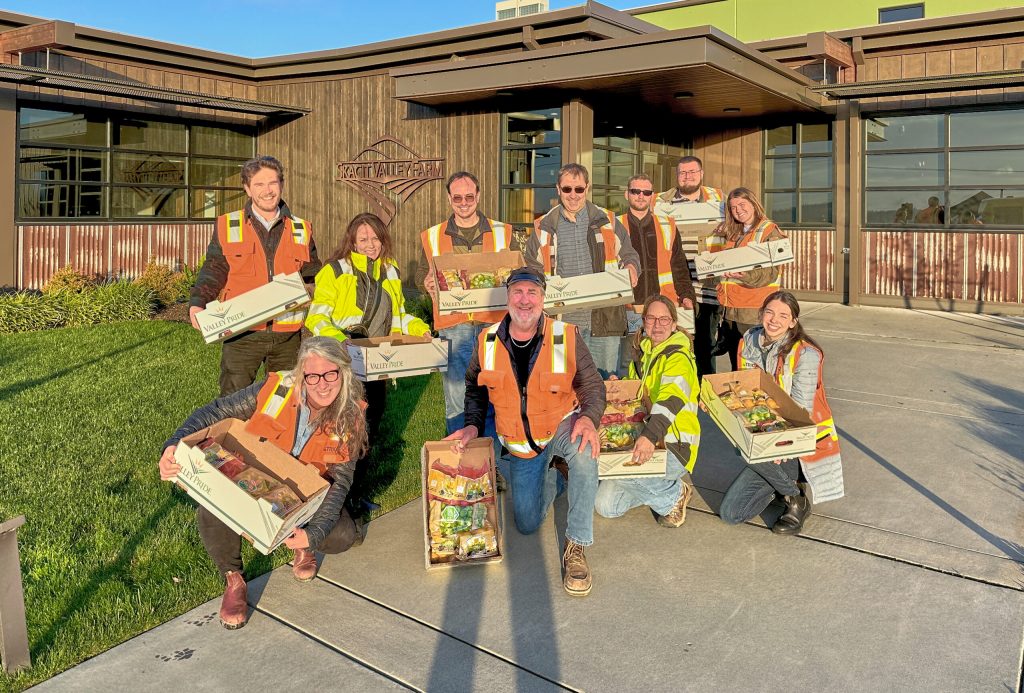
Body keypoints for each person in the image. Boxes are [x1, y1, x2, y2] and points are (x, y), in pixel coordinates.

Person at [158, 337, 367, 629]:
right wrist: (173, 444)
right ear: (301, 375)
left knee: (342, 535)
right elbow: (217, 410)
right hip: (253, 477)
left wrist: (313, 535)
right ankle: (234, 579)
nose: (322, 384)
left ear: (343, 373)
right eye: (312, 375)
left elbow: (341, 481)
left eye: (330, 373)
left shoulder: (352, 416)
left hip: (304, 497)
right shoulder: (276, 390)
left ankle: (301, 547)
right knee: (212, 506)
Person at [447, 267, 605, 596]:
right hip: (522, 443)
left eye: (532, 293)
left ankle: (576, 546)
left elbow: (591, 385)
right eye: (518, 292)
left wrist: (588, 417)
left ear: (543, 298)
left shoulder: (565, 335)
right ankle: (557, 476)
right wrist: (473, 425)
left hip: (562, 423)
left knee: (586, 453)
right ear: (507, 298)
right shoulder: (486, 341)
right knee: (527, 523)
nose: (525, 300)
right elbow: (475, 389)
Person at [306, 212, 430, 516]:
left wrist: (420, 330)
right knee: (343, 433)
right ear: (352, 241)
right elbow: (317, 317)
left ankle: (356, 494)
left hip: (379, 362)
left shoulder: (390, 271)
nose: (370, 245)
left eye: (375, 238)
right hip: (345, 363)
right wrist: (341, 340)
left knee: (368, 430)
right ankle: (333, 498)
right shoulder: (334, 271)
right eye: (363, 239)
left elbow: (399, 316)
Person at [189, 156, 322, 396]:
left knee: (284, 403)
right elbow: (214, 269)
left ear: (282, 184)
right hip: (242, 334)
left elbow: (313, 275)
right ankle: (233, 435)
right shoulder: (228, 225)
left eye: (273, 182)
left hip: (288, 336)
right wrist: (198, 303)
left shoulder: (301, 229)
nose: (267, 191)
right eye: (259, 184)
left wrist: (314, 292)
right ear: (247, 188)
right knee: (234, 403)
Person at [718, 291, 844, 535]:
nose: (774, 320)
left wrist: (777, 444)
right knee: (732, 513)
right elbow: (742, 389)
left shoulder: (805, 354)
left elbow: (800, 412)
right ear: (761, 313)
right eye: (770, 312)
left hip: (798, 441)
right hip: (762, 434)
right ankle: (779, 483)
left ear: (793, 322)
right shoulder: (748, 341)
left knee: (750, 451)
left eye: (783, 315)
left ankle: (795, 498)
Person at [417, 171, 515, 434]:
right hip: (454, 325)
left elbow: (518, 272)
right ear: (449, 198)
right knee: (457, 399)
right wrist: (425, 283)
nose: (463, 202)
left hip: (494, 326)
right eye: (457, 197)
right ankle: (461, 463)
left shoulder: (503, 232)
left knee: (495, 393)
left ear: (478, 196)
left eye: (469, 196)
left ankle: (491, 463)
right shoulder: (433, 236)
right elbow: (420, 275)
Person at [524, 163, 640, 378]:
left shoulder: (608, 221)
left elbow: (629, 255)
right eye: (567, 189)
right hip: (563, 322)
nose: (573, 195)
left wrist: (632, 268)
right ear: (558, 190)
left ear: (587, 189)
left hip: (604, 321)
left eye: (579, 189)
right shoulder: (544, 227)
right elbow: (531, 266)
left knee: (605, 383)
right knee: (566, 384)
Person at [595, 295, 700, 527]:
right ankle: (655, 488)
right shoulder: (642, 354)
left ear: (674, 324)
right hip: (645, 436)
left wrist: (649, 437)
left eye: (664, 319)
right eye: (651, 318)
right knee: (606, 505)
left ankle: (674, 495)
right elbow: (636, 398)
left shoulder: (678, 358)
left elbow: (670, 400)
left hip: (674, 445)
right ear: (643, 322)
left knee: (614, 469)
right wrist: (620, 387)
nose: (657, 324)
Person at [654, 156, 726, 379]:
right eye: (683, 173)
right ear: (677, 176)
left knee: (705, 342)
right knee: (675, 340)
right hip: (674, 283)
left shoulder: (719, 198)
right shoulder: (659, 201)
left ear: (701, 173)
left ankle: (703, 393)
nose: (688, 177)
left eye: (692, 172)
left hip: (708, 286)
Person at [713, 188, 787, 371]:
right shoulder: (734, 232)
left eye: (742, 205)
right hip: (731, 312)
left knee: (752, 368)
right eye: (733, 207)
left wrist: (745, 275)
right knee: (736, 365)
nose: (738, 210)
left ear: (754, 204)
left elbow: (773, 272)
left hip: (753, 312)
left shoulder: (769, 231)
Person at [616, 174, 696, 342]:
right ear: (626, 194)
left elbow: (679, 267)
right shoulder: (614, 226)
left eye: (646, 192)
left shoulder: (667, 225)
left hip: (663, 310)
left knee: (663, 360)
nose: (640, 196)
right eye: (635, 191)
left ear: (652, 196)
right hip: (629, 309)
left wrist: (687, 296)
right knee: (631, 362)